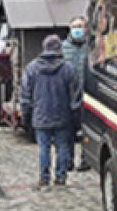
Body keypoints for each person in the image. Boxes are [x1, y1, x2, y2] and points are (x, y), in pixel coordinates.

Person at [20, 35, 79, 188]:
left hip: (40, 114)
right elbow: (75, 96)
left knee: (43, 148)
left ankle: (44, 177)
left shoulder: (32, 68)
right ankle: (60, 177)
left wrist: (25, 116)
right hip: (63, 115)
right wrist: (76, 117)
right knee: (62, 148)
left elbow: (25, 95)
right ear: (59, 48)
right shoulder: (68, 69)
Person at [61, 16, 90, 172]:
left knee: (86, 129)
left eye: (81, 26)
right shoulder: (62, 47)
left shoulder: (90, 48)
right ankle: (68, 160)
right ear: (70, 29)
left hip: (87, 96)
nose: (78, 29)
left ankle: (85, 159)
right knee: (68, 132)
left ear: (86, 29)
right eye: (75, 26)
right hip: (68, 96)